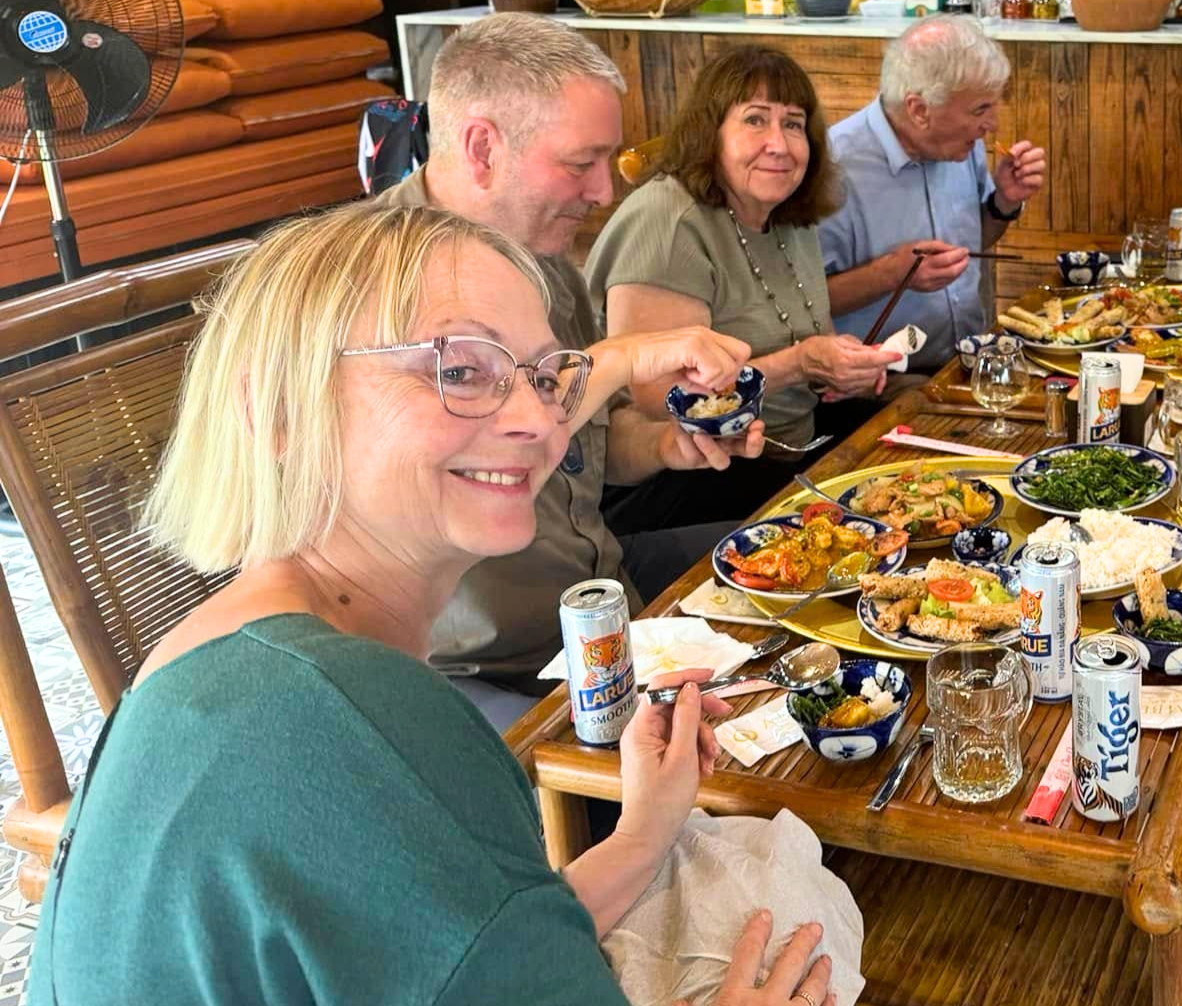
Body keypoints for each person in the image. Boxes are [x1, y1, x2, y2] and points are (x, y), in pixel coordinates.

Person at [28, 204, 840, 1006]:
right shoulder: (358, 715)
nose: (535, 419)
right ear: (277, 410)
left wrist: (640, 831)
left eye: (543, 374)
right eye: (458, 371)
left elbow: (468, 943)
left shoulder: (212, 656)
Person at [385, 12, 764, 728]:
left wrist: (663, 447)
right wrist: (620, 358)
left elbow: (586, 452)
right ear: (482, 148)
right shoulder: (375, 281)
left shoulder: (548, 267)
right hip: (483, 666)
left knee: (809, 563)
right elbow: (482, 436)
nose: (602, 192)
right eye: (580, 162)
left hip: (603, 593)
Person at [587, 44, 900, 523]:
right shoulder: (669, 224)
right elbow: (662, 400)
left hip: (786, 449)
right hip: (689, 481)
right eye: (755, 120)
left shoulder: (789, 216)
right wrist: (800, 363)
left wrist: (839, 367)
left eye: (793, 124)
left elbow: (809, 337)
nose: (779, 143)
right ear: (710, 133)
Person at [820, 14, 1047, 377]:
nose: (994, 124)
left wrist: (1003, 203)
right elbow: (804, 303)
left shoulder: (959, 143)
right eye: (980, 110)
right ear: (920, 110)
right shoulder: (830, 168)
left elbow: (974, 244)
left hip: (969, 361)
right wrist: (892, 273)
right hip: (879, 384)